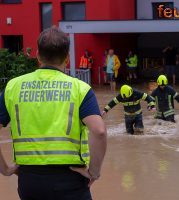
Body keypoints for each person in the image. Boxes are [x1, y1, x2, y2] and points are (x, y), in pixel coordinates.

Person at [0, 26, 107, 200]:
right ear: (67, 58)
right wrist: (94, 172)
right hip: (70, 178)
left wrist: (4, 169)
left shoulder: (13, 87)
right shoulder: (80, 88)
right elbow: (99, 131)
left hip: (29, 179)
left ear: (37, 55)